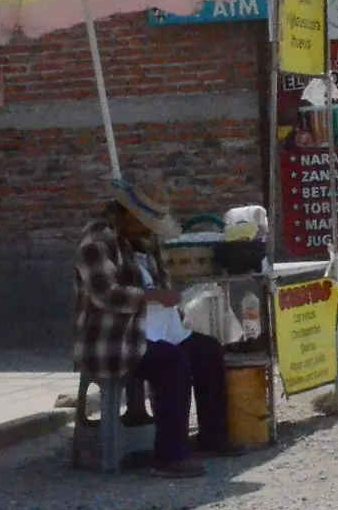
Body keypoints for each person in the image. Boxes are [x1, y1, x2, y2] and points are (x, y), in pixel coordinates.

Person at [73, 176, 242, 479]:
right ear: (126, 216)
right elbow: (105, 294)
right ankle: (169, 456)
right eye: (142, 223)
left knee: (207, 350)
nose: (147, 230)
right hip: (116, 338)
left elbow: (162, 283)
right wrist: (151, 296)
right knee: (172, 362)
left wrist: (170, 297)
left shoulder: (144, 244)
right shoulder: (96, 243)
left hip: (155, 331)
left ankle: (211, 438)